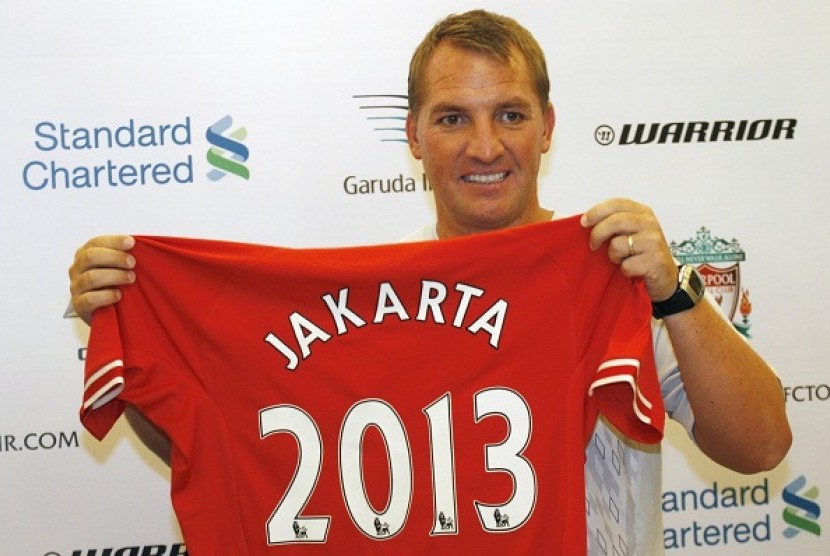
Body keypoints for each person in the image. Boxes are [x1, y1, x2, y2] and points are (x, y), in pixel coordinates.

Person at [68, 9, 791, 554]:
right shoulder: (363, 303)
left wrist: (673, 293)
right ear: (413, 137)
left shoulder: (616, 275)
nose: (485, 146)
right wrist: (131, 325)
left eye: (510, 113)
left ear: (547, 127)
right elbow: (234, 450)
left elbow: (760, 447)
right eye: (453, 118)